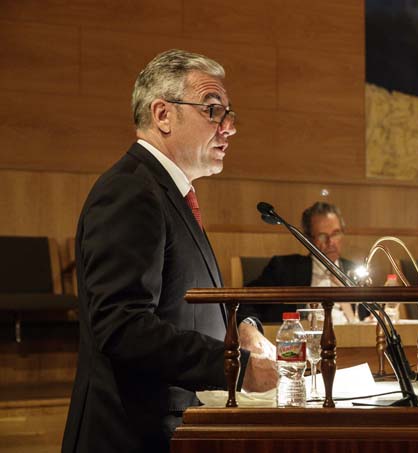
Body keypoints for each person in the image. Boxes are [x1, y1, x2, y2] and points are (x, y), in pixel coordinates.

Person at [62, 49, 277, 453]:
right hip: (129, 436)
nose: (229, 127)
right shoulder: (131, 191)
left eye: (229, 114)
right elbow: (122, 326)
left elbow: (185, 305)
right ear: (163, 114)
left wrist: (242, 328)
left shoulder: (167, 192)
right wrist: (234, 365)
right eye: (213, 110)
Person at [246, 201, 362, 323]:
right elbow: (246, 303)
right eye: (322, 236)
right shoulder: (284, 268)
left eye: (335, 234)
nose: (330, 242)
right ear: (308, 239)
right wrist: (247, 326)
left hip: (354, 334)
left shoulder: (356, 272)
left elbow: (368, 316)